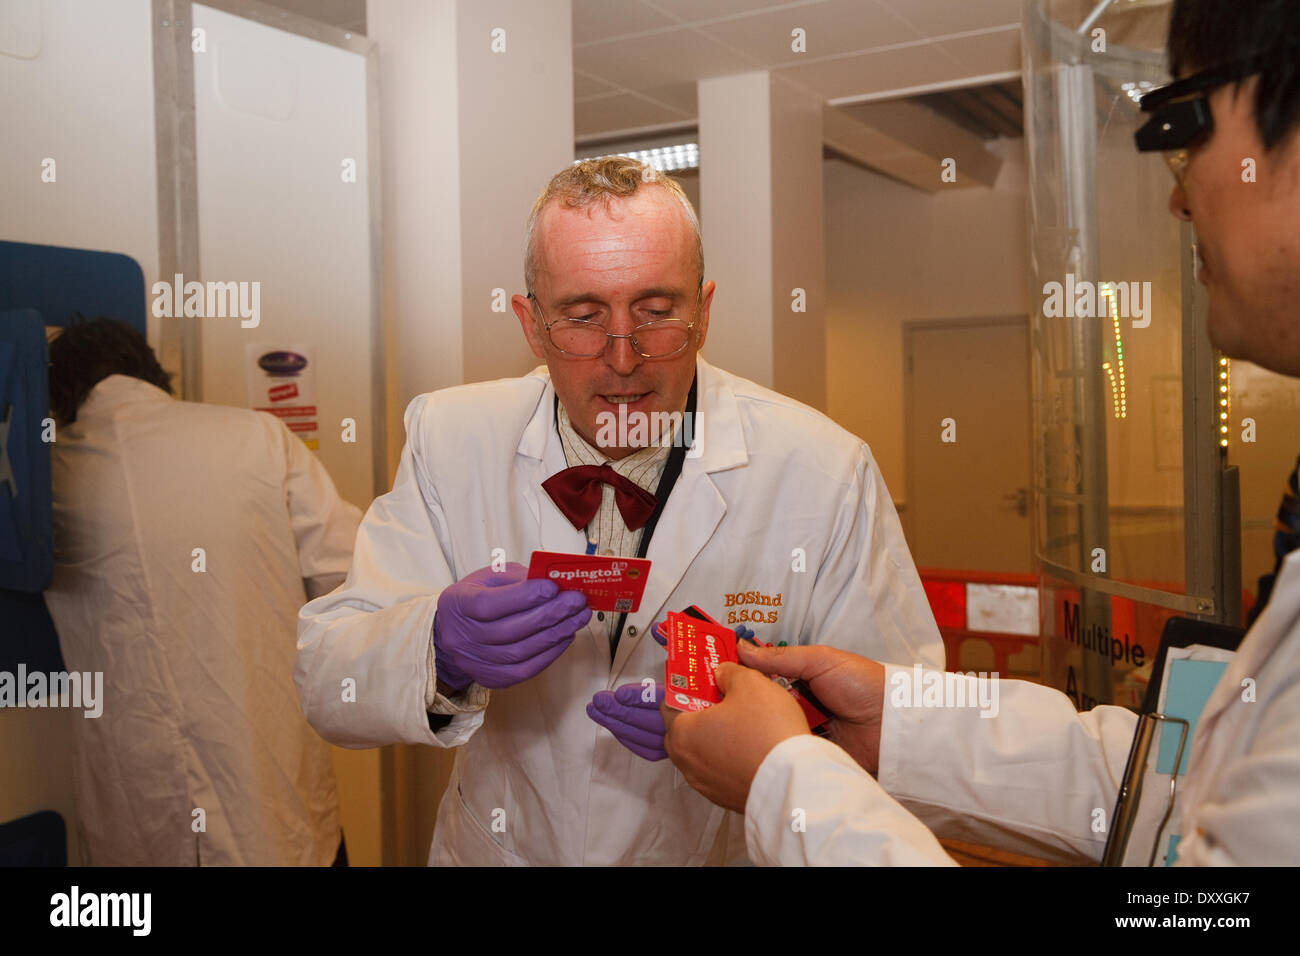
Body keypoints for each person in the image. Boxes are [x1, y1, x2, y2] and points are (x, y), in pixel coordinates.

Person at [661, 0, 1300, 867]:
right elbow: (1176, 790)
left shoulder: (827, 460)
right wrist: (902, 729)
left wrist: (785, 780)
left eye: (1187, 131)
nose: (1181, 196)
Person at [295, 157, 944, 865]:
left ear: (703, 311)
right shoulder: (450, 438)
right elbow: (332, 682)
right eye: (582, 316)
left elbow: (908, 725)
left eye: (657, 312)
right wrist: (437, 650)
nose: (624, 358)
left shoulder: (822, 468)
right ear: (530, 323)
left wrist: (787, 729)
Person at [43, 318, 361, 865]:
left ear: (60, 397)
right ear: (150, 371)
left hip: (142, 820)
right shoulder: (257, 436)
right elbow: (351, 575)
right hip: (276, 813)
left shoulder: (52, 476)